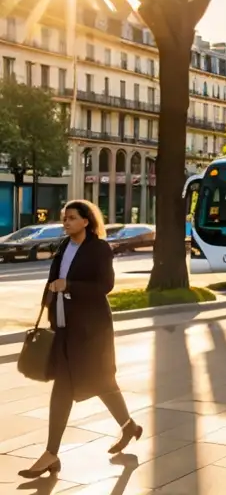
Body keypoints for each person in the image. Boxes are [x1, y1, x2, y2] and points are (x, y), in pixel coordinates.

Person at [20, 201, 142, 480]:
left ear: (86, 221)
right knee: (84, 385)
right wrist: (48, 308)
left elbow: (105, 286)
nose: (66, 222)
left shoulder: (98, 248)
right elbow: (54, 279)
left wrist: (70, 286)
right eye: (64, 218)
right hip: (63, 328)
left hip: (90, 332)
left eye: (72, 218)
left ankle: (53, 453)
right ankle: (127, 427)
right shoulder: (64, 246)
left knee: (98, 383)